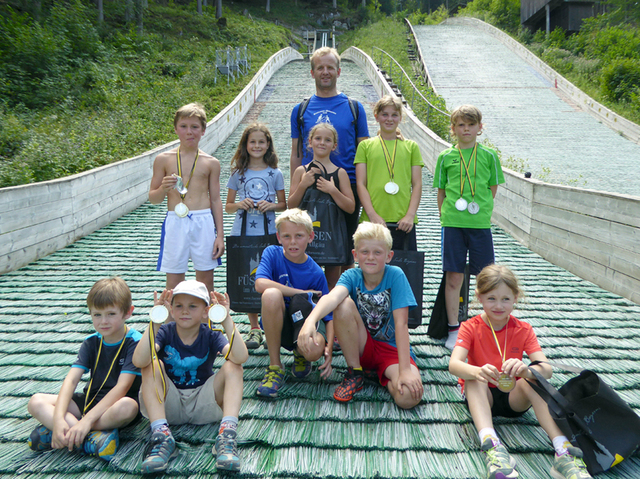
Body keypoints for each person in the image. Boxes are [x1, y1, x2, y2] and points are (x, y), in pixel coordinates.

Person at [449, 264, 591, 479]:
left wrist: (526, 370)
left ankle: (563, 451)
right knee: (473, 379)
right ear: (479, 297)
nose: (499, 305)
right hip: (481, 397)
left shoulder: (523, 329)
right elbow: (454, 365)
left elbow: (547, 369)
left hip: (513, 397)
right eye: (491, 298)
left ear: (515, 297)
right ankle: (493, 447)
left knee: (534, 380)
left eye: (506, 299)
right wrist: (477, 370)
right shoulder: (471, 326)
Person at [298, 222, 423, 409]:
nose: (370, 257)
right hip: (362, 347)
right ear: (355, 255)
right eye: (364, 252)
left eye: (377, 253)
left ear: (389, 256)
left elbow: (401, 324)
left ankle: (379, 377)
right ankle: (355, 372)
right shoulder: (351, 276)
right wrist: (310, 320)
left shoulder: (396, 275)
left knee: (408, 397)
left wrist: (404, 370)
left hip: (391, 352)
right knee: (343, 304)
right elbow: (332, 298)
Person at [132, 280, 248, 474]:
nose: (185, 311)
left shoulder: (211, 335)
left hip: (204, 403)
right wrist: (155, 321)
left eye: (192, 306)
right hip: (170, 403)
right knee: (151, 364)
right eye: (179, 306)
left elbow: (240, 356)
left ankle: (227, 435)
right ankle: (161, 435)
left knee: (233, 367)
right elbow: (139, 360)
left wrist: (226, 319)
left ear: (205, 311)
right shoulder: (164, 332)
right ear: (171, 309)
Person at [27, 277, 142, 461]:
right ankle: (86, 437)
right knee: (36, 401)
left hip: (114, 406)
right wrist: (57, 419)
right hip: (89, 401)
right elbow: (71, 380)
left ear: (128, 312)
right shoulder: (91, 342)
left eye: (111, 314)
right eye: (97, 315)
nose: (103, 321)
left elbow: (122, 388)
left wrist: (86, 421)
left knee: (128, 407)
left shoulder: (134, 341)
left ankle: (70, 433)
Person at [290, 46, 369, 276]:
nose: (326, 72)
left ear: (339, 71)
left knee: (343, 252)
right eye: (320, 68)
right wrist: (296, 184)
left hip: (346, 184)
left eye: (330, 68)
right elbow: (295, 152)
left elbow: (364, 150)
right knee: (307, 246)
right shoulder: (300, 110)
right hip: (309, 185)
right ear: (312, 72)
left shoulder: (355, 108)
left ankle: (339, 304)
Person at [433, 105, 505, 350]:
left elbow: (492, 189)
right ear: (453, 129)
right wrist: (446, 216)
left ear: (479, 128)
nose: (466, 129)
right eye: (461, 125)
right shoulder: (445, 157)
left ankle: (484, 327)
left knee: (485, 278)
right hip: (453, 223)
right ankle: (454, 329)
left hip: (479, 224)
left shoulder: (489, 156)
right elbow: (441, 191)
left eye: (471, 125)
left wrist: (480, 209)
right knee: (453, 276)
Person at [254, 208, 334, 398]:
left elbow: (329, 316)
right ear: (279, 237)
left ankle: (301, 353)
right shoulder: (272, 253)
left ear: (310, 236)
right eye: (287, 236)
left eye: (299, 236)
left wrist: (329, 348)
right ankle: (275, 366)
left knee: (314, 350)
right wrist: (301, 293)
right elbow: (260, 284)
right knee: (271, 294)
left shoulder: (315, 272)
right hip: (278, 323)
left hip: (303, 324)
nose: (292, 242)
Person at [149, 102, 225, 293]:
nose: (189, 132)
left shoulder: (211, 163)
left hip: (203, 220)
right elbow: (153, 198)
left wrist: (220, 236)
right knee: (173, 283)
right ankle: (172, 323)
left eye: (194, 127)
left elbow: (215, 199)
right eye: (184, 126)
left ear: (203, 130)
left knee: (206, 281)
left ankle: (206, 322)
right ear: (175, 129)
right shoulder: (163, 159)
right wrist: (164, 189)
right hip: (176, 220)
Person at [226, 123, 286, 349]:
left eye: (262, 142)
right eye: (253, 142)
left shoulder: (275, 173)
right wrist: (240, 204)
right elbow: (228, 206)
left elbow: (283, 204)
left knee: (269, 276)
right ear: (245, 145)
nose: (257, 146)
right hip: (243, 232)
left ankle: (271, 320)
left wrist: (270, 205)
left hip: (269, 232)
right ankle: (254, 327)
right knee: (248, 276)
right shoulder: (238, 174)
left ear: (268, 144)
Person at [288, 123, 355, 288]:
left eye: (327, 140)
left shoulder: (340, 173)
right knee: (306, 280)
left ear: (334, 145)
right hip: (307, 238)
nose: (322, 143)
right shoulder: (301, 172)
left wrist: (333, 190)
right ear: (310, 142)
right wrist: (303, 185)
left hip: (332, 237)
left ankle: (330, 313)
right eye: (318, 138)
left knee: (332, 281)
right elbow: (290, 205)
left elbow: (351, 207)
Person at [355, 95, 423, 250]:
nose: (389, 119)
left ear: (400, 118)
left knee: (403, 271)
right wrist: (372, 215)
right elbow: (360, 183)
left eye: (394, 115)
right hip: (372, 221)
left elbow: (417, 184)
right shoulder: (365, 146)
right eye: (385, 114)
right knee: (371, 268)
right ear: (377, 116)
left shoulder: (411, 147)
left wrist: (410, 215)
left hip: (403, 223)